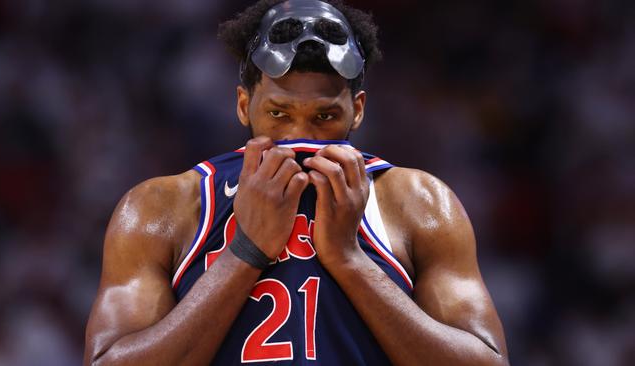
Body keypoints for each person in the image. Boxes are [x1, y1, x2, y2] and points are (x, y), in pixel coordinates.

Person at [84, 0, 509, 364]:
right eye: (279, 115)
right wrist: (246, 252)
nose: (298, 138)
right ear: (243, 104)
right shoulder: (164, 206)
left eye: (324, 117)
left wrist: (350, 260)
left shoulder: (417, 201)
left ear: (357, 111)